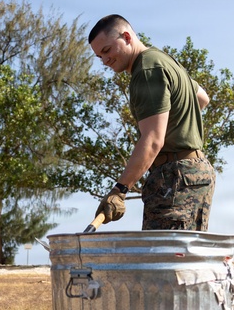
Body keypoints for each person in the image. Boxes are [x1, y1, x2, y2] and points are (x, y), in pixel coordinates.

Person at [88, 14, 216, 230]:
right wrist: (176, 124)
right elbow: (202, 97)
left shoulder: (146, 70)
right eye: (100, 56)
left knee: (162, 259)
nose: (105, 60)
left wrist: (120, 189)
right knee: (186, 258)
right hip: (197, 173)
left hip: (174, 177)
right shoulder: (164, 60)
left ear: (127, 36)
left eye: (107, 50)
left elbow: (153, 140)